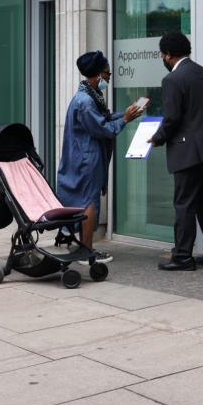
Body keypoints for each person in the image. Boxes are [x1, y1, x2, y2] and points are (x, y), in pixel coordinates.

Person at [151, 32, 203, 271]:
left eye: (162, 55)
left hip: (189, 150)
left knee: (184, 202)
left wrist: (157, 138)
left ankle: (183, 256)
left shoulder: (172, 80)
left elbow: (173, 117)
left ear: (167, 55)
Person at [56, 51, 144, 262]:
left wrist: (124, 114)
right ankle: (86, 250)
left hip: (84, 157)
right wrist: (125, 119)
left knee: (85, 200)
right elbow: (103, 129)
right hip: (87, 159)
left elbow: (103, 117)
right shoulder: (85, 101)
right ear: (97, 75)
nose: (110, 76)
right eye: (107, 73)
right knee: (89, 202)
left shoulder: (89, 96)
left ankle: (81, 246)